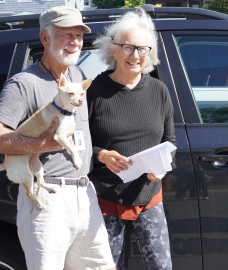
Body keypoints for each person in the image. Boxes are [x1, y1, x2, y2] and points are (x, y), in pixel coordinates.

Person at [0, 6, 116, 270]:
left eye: (79, 35)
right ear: (45, 38)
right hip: (47, 197)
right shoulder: (24, 84)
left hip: (84, 193)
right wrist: (37, 144)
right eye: (66, 35)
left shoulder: (76, 76)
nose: (75, 42)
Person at [87, 8, 176, 270]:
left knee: (160, 266)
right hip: (105, 197)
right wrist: (101, 155)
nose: (135, 55)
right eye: (127, 47)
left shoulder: (159, 90)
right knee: (110, 267)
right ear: (113, 49)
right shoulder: (93, 92)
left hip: (148, 197)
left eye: (142, 48)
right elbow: (76, 145)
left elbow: (170, 141)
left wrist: (162, 167)